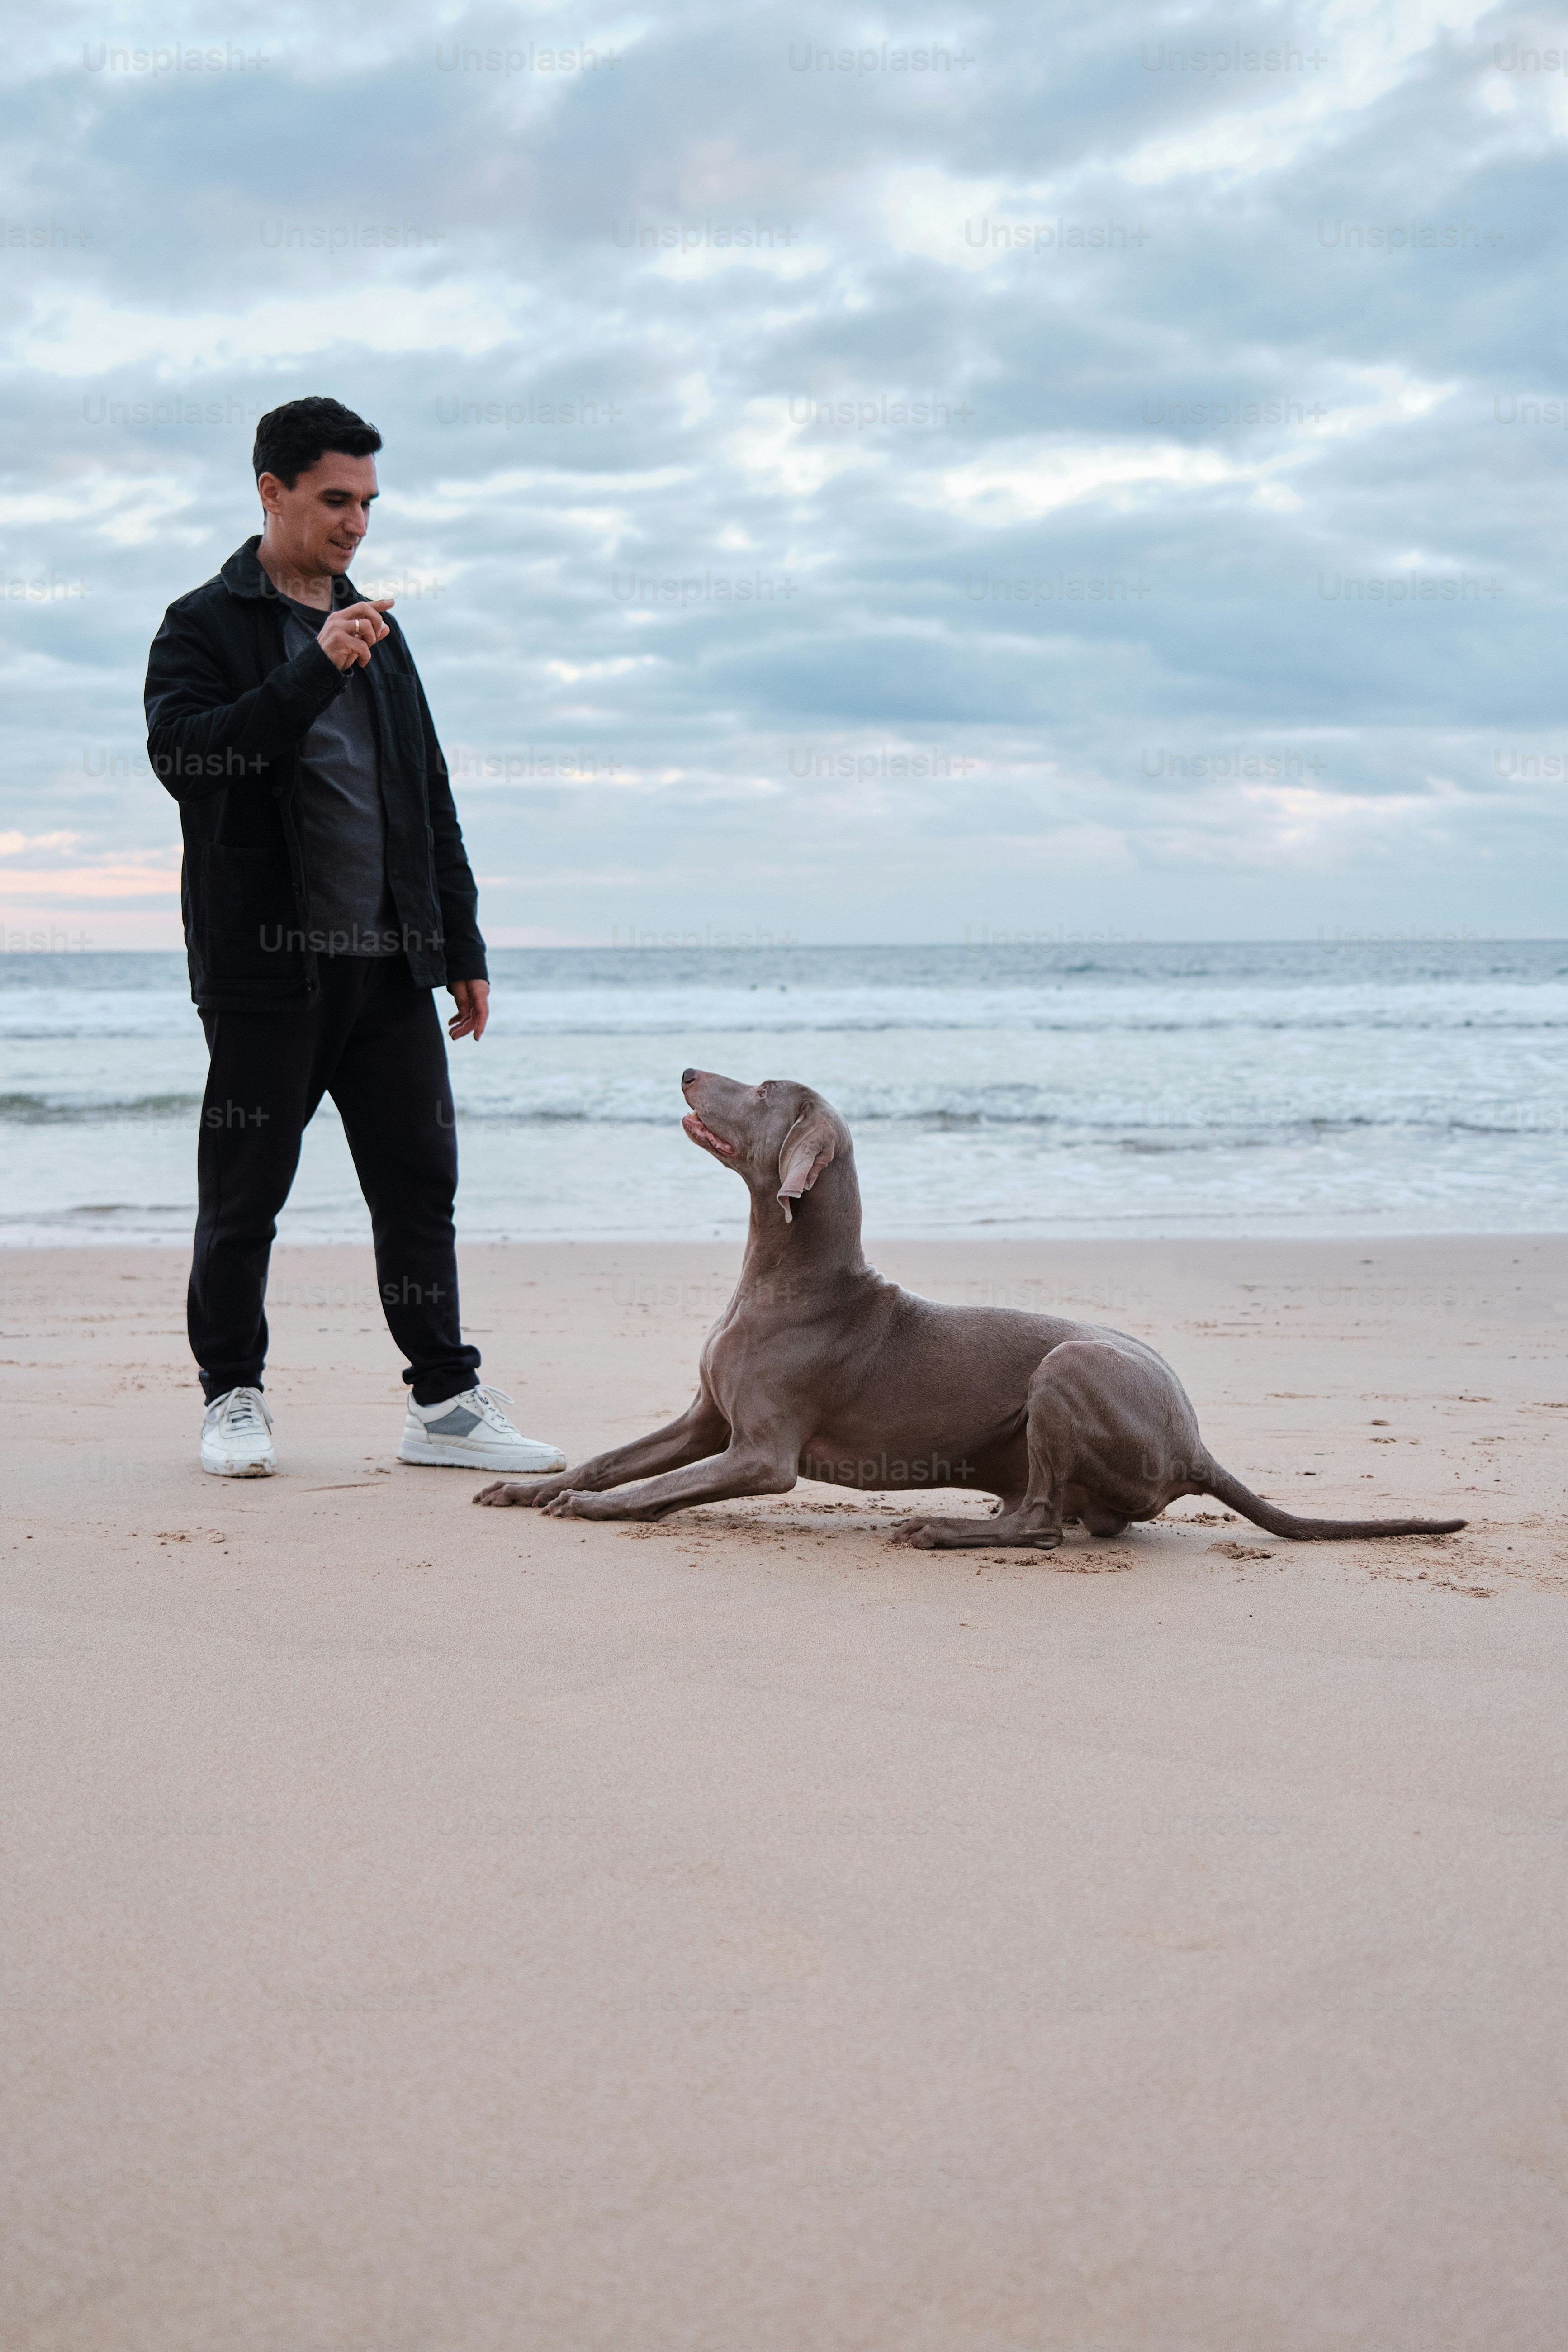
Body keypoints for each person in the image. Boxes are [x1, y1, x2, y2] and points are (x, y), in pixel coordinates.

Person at [144, 394, 564, 1480]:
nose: (357, 524)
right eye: (336, 500)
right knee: (245, 1197)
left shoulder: (382, 626)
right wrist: (311, 667)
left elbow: (427, 793)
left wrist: (460, 945)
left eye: (369, 502)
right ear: (271, 492)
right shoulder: (205, 623)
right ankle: (232, 1395)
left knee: (420, 1184)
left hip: (389, 967)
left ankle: (445, 1404)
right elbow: (189, 761)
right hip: (266, 968)